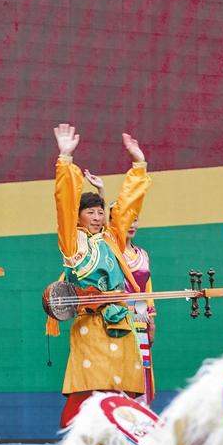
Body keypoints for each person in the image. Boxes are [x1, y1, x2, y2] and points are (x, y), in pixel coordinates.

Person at [52, 123, 151, 426]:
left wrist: (139, 164)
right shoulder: (72, 242)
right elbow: (64, 204)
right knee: (90, 389)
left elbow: (126, 209)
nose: (96, 217)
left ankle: (122, 439)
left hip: (120, 321)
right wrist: (65, 159)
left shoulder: (112, 239)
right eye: (90, 212)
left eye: (99, 212)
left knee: (121, 390)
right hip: (90, 325)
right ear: (79, 216)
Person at [85, 172, 157, 405]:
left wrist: (151, 320)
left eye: (135, 219)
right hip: (118, 320)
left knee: (142, 374)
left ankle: (141, 416)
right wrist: (101, 192)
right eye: (126, 219)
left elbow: (147, 291)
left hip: (141, 321)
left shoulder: (143, 254)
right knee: (120, 373)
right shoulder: (111, 248)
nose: (131, 224)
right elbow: (103, 228)